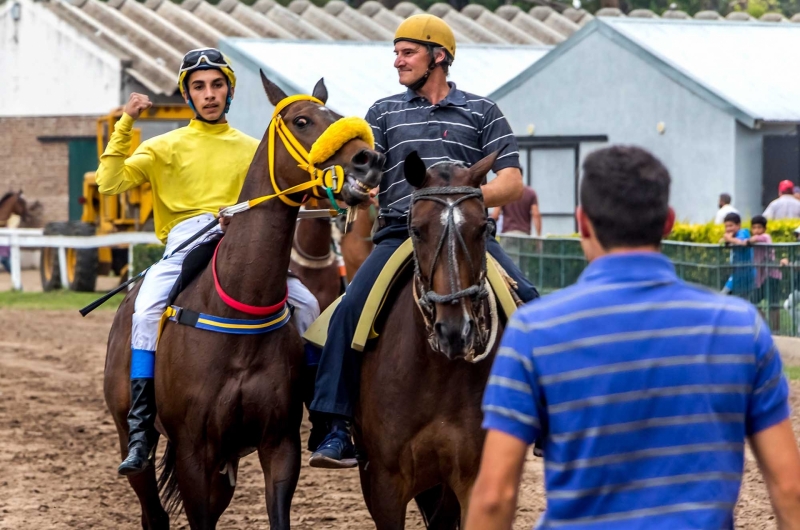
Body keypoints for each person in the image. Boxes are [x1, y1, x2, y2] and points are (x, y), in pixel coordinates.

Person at [466, 145, 800, 529]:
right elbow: (788, 488)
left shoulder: (534, 332)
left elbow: (494, 498)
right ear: (669, 222)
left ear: (583, 223)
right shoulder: (742, 326)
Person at [307, 14, 539, 468]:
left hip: (468, 237)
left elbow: (510, 182)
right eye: (395, 53)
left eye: (407, 52)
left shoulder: (484, 111)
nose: (397, 61)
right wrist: (354, 188)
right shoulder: (383, 112)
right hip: (400, 232)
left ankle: (546, 418)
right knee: (348, 309)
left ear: (440, 56)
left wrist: (456, 199)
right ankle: (335, 429)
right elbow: (367, 176)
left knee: (530, 302)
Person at [97, 48, 320, 477]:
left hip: (245, 247)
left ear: (229, 90)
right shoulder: (164, 147)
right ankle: (142, 426)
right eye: (199, 86)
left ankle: (320, 414)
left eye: (217, 85)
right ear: (188, 94)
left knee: (308, 304)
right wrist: (127, 123)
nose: (209, 94)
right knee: (144, 311)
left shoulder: (254, 148)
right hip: (184, 243)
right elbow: (110, 181)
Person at [749, 215, 782, 330]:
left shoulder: (765, 237)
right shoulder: (753, 239)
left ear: (764, 229)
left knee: (773, 304)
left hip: (772, 275)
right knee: (753, 302)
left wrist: (746, 241)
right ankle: (766, 326)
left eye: (759, 227)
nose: (756, 231)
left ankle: (776, 330)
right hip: (761, 278)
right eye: (754, 228)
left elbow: (758, 239)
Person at [720, 212, 756, 298]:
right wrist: (725, 241)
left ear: (738, 225)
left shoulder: (743, 232)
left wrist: (730, 239)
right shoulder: (733, 236)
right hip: (736, 275)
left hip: (746, 274)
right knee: (725, 296)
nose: (728, 229)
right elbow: (722, 243)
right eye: (726, 226)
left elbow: (741, 242)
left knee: (728, 297)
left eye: (731, 225)